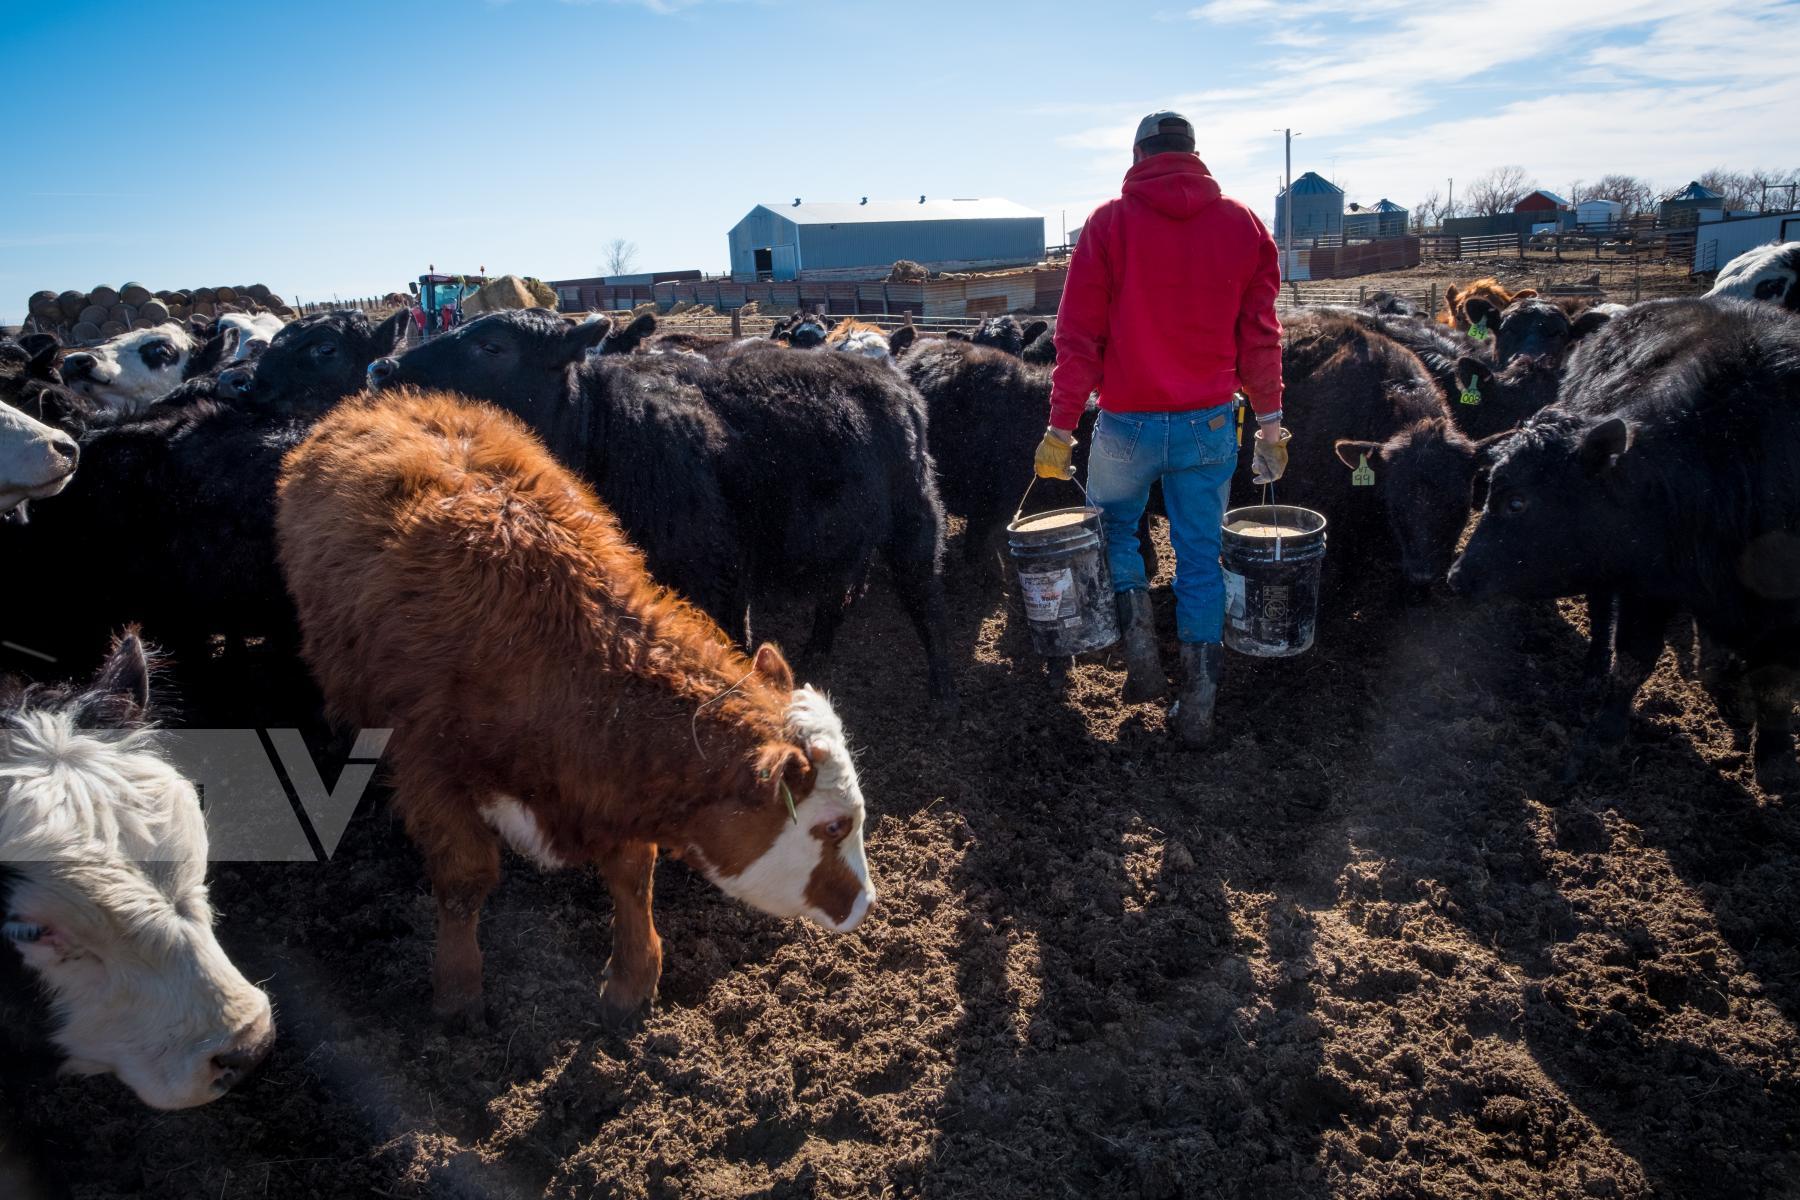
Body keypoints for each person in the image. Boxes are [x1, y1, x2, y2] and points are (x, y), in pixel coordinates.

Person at [1033, 111, 1289, 747]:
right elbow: (1260, 338)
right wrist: (1272, 423)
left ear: (1139, 153)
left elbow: (1079, 338)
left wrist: (1061, 427)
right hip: (1208, 425)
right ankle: (1198, 704)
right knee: (1201, 554)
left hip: (1125, 425)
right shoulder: (1244, 225)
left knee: (1117, 533)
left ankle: (1143, 661)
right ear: (1193, 152)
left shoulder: (1108, 225)